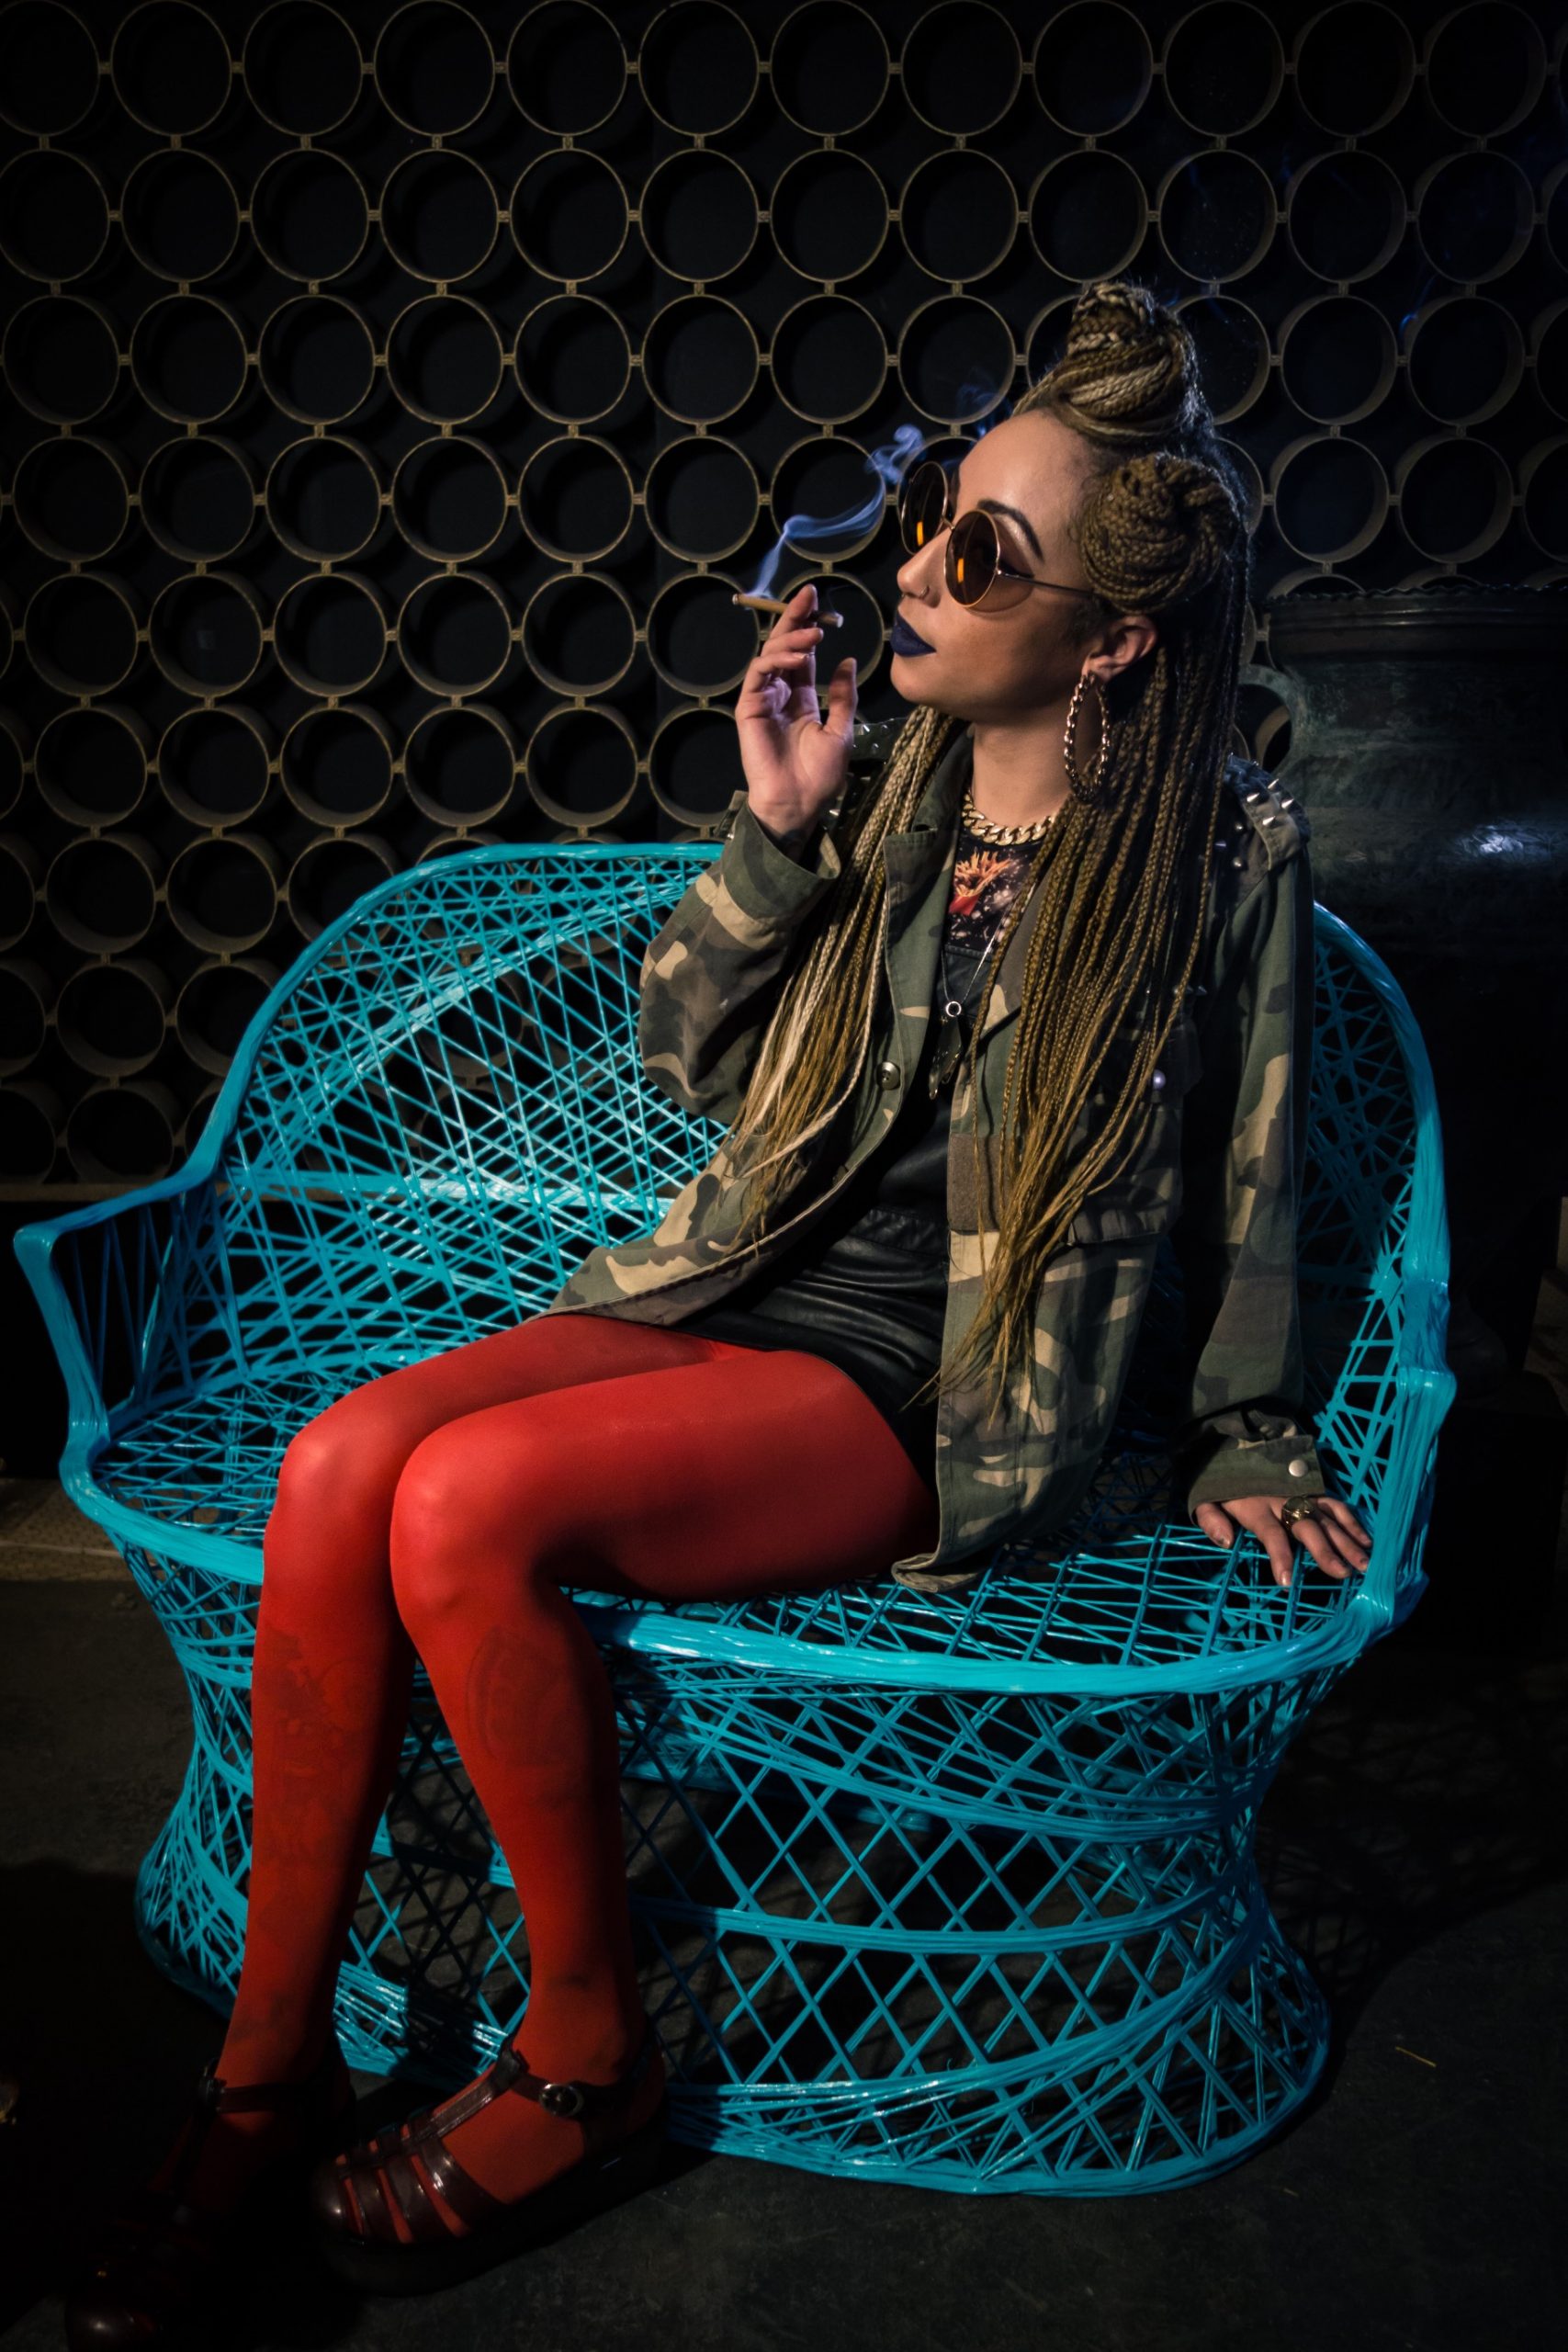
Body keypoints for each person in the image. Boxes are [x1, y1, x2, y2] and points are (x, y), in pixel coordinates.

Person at [66, 277, 1371, 2341]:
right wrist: (774, 823)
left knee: (463, 1506)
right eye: (932, 522)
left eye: (981, 554)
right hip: (737, 1284)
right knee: (338, 1465)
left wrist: (1249, 1425)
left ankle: (588, 2053)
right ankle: (266, 2062)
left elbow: (1256, 1170)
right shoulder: (887, 793)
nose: (914, 573)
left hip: (934, 1377)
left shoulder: (1215, 855)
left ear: (1111, 635)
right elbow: (687, 1057)